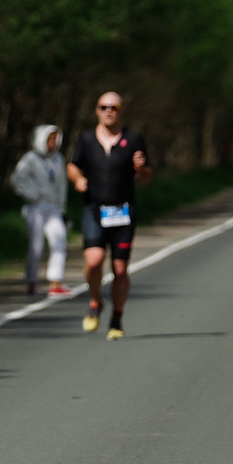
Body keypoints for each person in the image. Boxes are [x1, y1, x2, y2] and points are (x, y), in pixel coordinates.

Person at [68, 92, 151, 339]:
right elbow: (72, 166)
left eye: (113, 107)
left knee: (120, 269)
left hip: (123, 211)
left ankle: (117, 318)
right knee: (94, 261)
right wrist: (78, 179)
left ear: (122, 111)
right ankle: (95, 300)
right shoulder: (86, 139)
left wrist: (141, 169)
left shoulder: (133, 139)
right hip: (94, 209)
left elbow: (146, 178)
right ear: (97, 110)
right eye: (103, 107)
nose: (108, 112)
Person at [11, 123, 70, 298]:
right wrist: (32, 195)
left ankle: (56, 281)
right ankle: (32, 281)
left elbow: (62, 185)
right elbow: (17, 180)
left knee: (59, 239)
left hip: (53, 206)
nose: (53, 143)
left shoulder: (58, 159)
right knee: (36, 246)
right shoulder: (30, 159)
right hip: (35, 206)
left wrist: (62, 207)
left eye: (55, 139)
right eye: (49, 139)